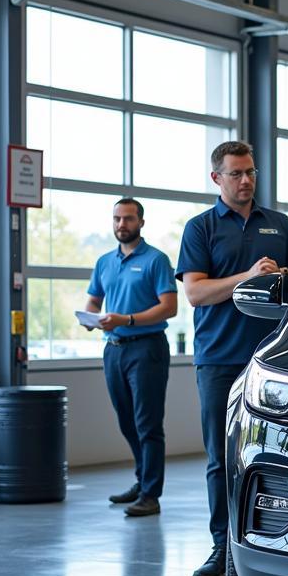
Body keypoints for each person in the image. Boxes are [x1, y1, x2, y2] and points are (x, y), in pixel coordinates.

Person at [176, 141, 288, 576]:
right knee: (221, 457)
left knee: (279, 455)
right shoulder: (201, 228)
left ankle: (282, 542)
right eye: (236, 173)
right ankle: (222, 547)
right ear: (217, 178)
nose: (246, 180)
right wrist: (248, 277)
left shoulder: (280, 224)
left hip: (275, 360)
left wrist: (279, 275)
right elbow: (196, 292)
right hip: (218, 360)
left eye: (250, 171)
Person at [85, 198, 178, 517]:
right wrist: (89, 317)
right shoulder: (104, 262)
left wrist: (127, 319)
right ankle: (142, 480)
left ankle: (151, 494)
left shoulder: (156, 260)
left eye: (127, 219)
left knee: (147, 423)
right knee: (127, 421)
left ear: (141, 222)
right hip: (113, 350)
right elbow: (94, 301)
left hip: (147, 347)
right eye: (116, 219)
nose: (121, 224)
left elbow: (169, 307)